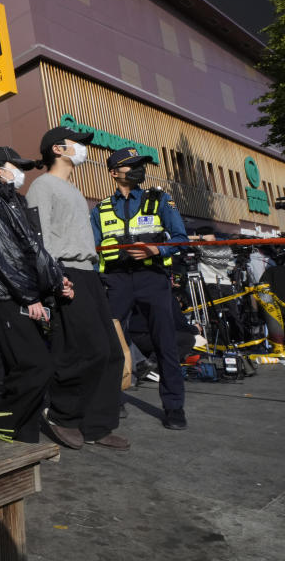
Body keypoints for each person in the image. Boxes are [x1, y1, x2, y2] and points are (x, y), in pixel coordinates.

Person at [27, 126, 129, 450]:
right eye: (77, 143)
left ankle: (98, 425)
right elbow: (37, 240)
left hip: (89, 272)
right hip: (66, 271)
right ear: (58, 149)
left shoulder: (73, 189)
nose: (83, 148)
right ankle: (61, 416)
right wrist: (54, 279)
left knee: (111, 352)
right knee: (84, 349)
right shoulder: (42, 186)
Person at [0, 146, 73, 443]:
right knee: (35, 367)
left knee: (27, 370)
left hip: (21, 295)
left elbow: (34, 251)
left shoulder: (15, 202)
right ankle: (3, 428)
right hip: (7, 298)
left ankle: (24, 440)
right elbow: (6, 255)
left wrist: (57, 280)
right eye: (13, 165)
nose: (19, 171)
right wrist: (30, 297)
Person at [91, 147, 189, 430]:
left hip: (153, 278)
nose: (138, 169)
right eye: (131, 165)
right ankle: (114, 399)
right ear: (113, 173)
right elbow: (92, 250)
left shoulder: (159, 199)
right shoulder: (100, 209)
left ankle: (174, 407)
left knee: (165, 342)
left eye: (140, 165)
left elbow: (181, 238)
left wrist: (155, 249)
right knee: (110, 343)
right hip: (116, 281)